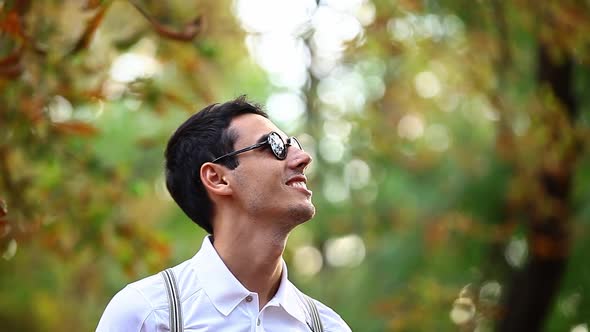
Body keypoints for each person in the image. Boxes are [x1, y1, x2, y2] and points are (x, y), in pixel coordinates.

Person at [96, 96, 352, 331]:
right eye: (273, 145)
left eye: (293, 144)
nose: (303, 157)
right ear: (217, 179)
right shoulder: (146, 315)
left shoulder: (328, 327)